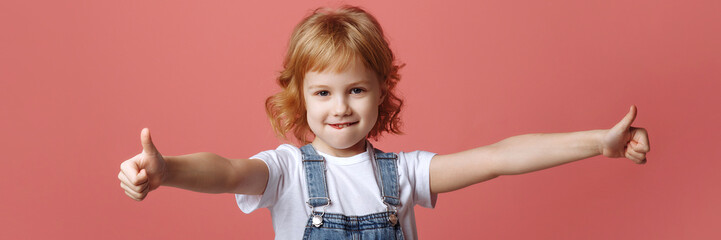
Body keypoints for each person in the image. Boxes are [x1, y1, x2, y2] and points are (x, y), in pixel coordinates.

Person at [117, 6, 650, 240]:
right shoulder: (285, 172)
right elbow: (229, 172)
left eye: (356, 89)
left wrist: (595, 143)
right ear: (299, 99)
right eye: (323, 92)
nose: (340, 106)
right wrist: (168, 171)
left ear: (380, 94)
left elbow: (499, 158)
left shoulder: (405, 174)